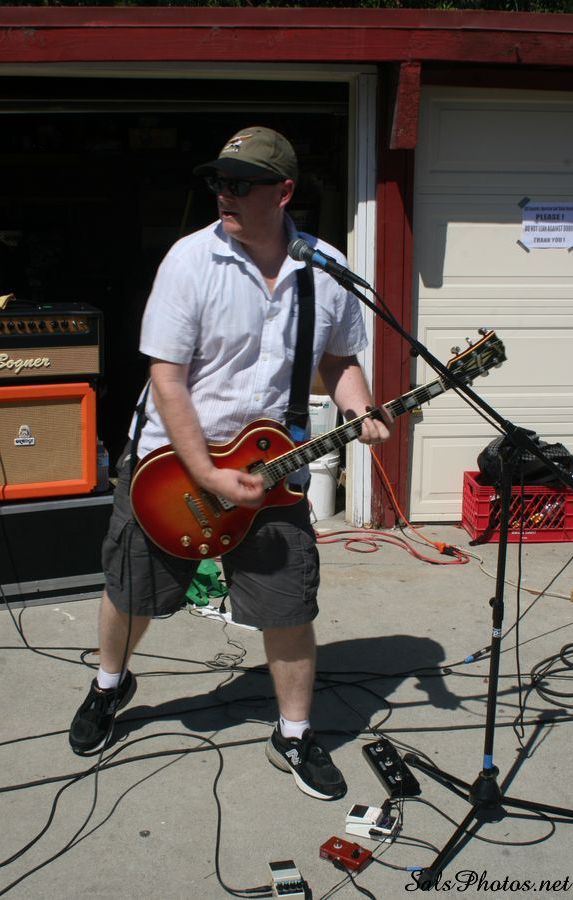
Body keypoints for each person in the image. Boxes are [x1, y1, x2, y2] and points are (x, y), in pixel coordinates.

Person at [69, 125, 392, 801]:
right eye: (220, 181)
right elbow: (166, 378)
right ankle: (109, 684)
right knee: (133, 591)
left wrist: (360, 407)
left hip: (271, 472)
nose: (225, 193)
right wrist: (209, 475)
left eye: (242, 183)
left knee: (288, 605)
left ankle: (294, 733)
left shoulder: (325, 269)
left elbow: (340, 360)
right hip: (170, 465)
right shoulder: (191, 261)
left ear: (284, 191)